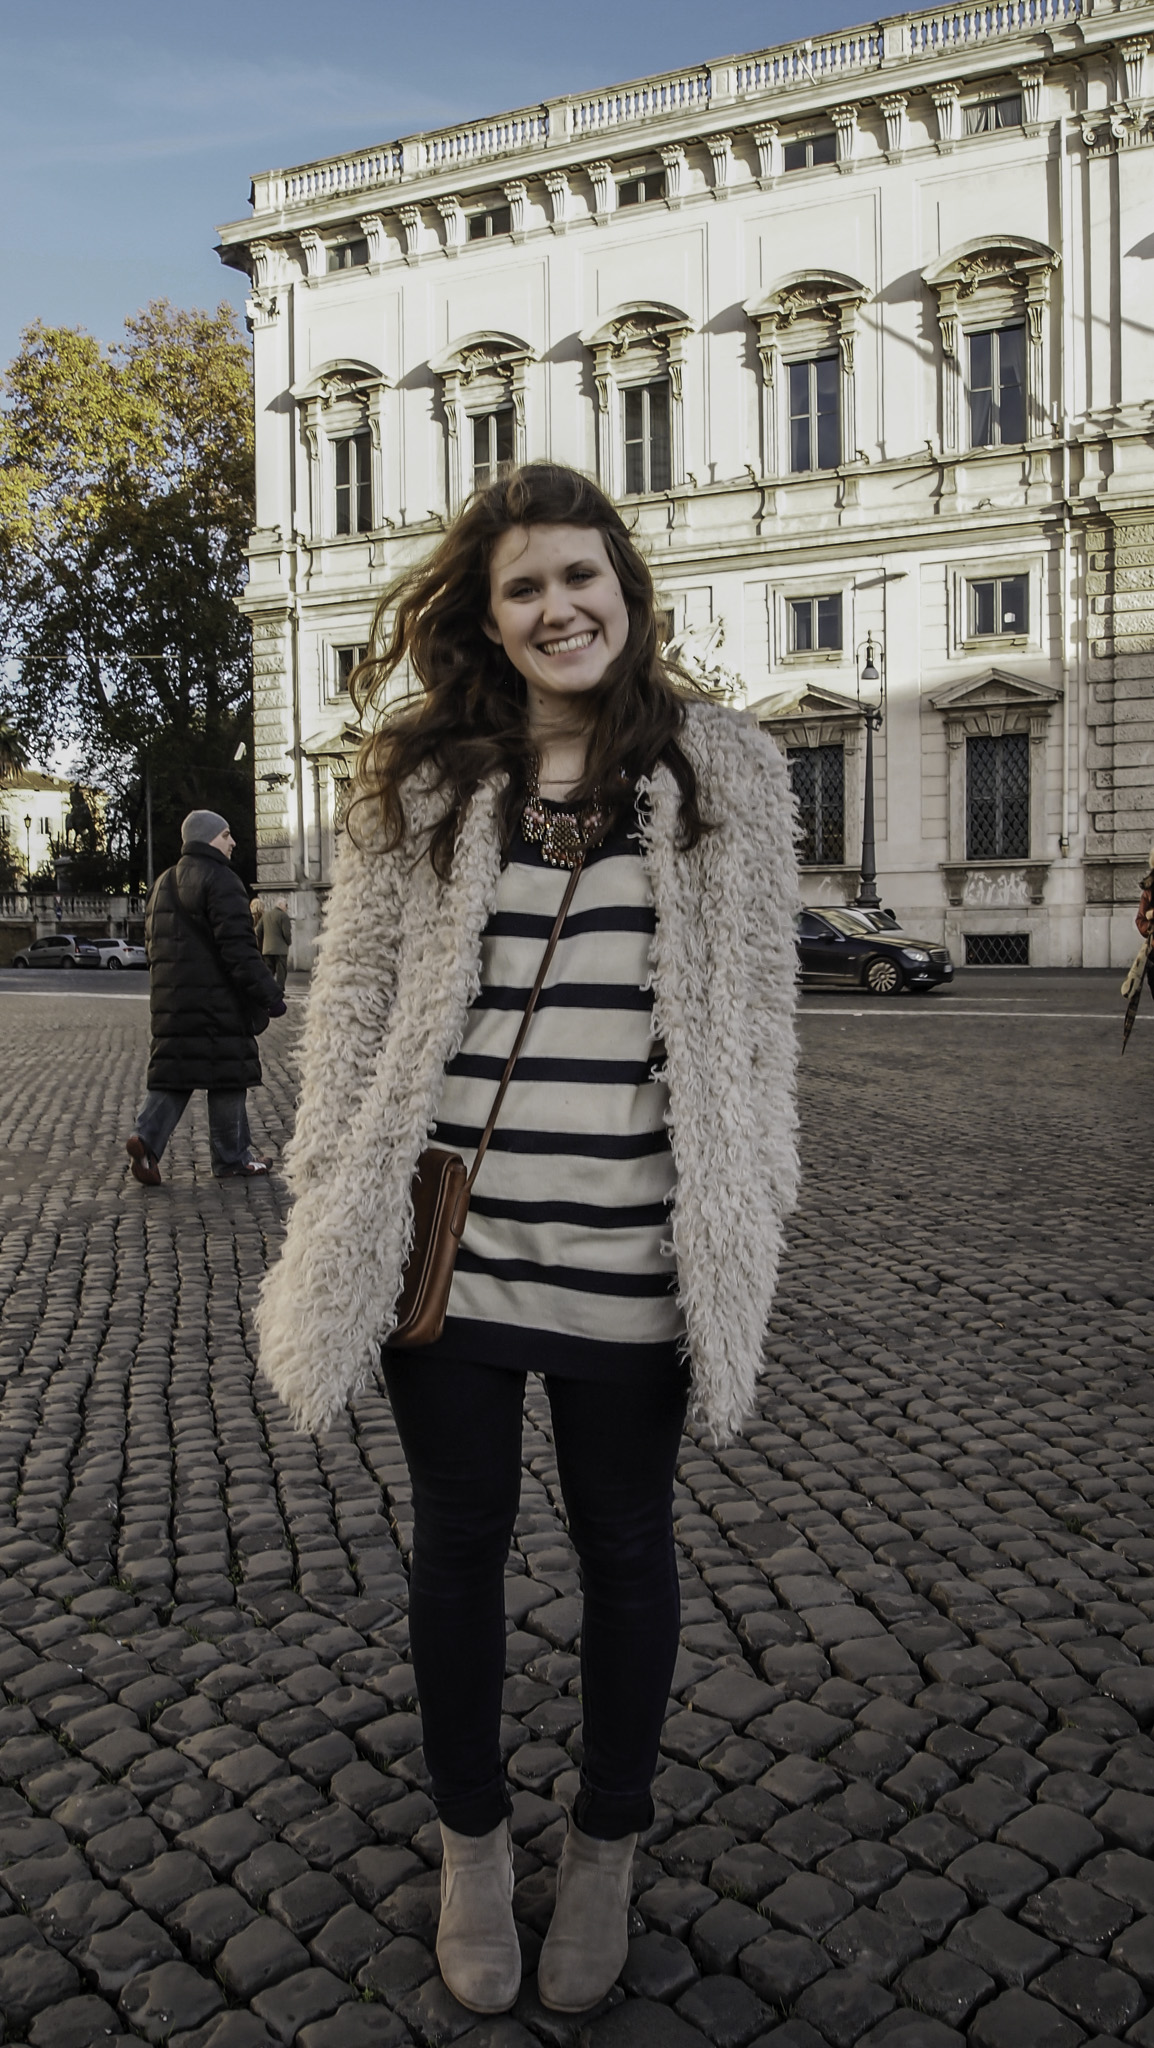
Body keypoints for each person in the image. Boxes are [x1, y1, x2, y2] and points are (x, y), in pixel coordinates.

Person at [257, 464, 799, 2018]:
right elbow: (355, 1001)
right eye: (523, 588)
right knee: (458, 1550)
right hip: (454, 1248)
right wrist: (330, 1187)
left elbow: (755, 1018)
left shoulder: (725, 772)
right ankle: (473, 1845)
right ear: (487, 621)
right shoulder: (422, 780)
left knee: (626, 1552)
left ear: (623, 589)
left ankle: (606, 1844)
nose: (558, 607)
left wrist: (752, 1194)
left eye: (579, 576)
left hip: (636, 1254)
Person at [126, 810, 287, 1185]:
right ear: (208, 837)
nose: (233, 842)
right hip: (219, 1004)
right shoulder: (221, 879)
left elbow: (151, 947)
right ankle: (232, 1158)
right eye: (227, 834)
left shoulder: (163, 882)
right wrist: (270, 995)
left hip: (172, 1002)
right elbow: (240, 951)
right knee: (228, 1074)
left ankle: (145, 1141)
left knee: (176, 1072)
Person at [260, 896, 293, 991]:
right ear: (281, 905)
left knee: (269, 970)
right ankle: (279, 990)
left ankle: (269, 989)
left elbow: (258, 930)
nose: (287, 907)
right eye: (286, 905)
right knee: (281, 971)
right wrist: (289, 942)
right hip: (280, 949)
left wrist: (263, 942)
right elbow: (286, 933)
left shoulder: (265, 915)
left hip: (267, 948)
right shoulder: (283, 916)